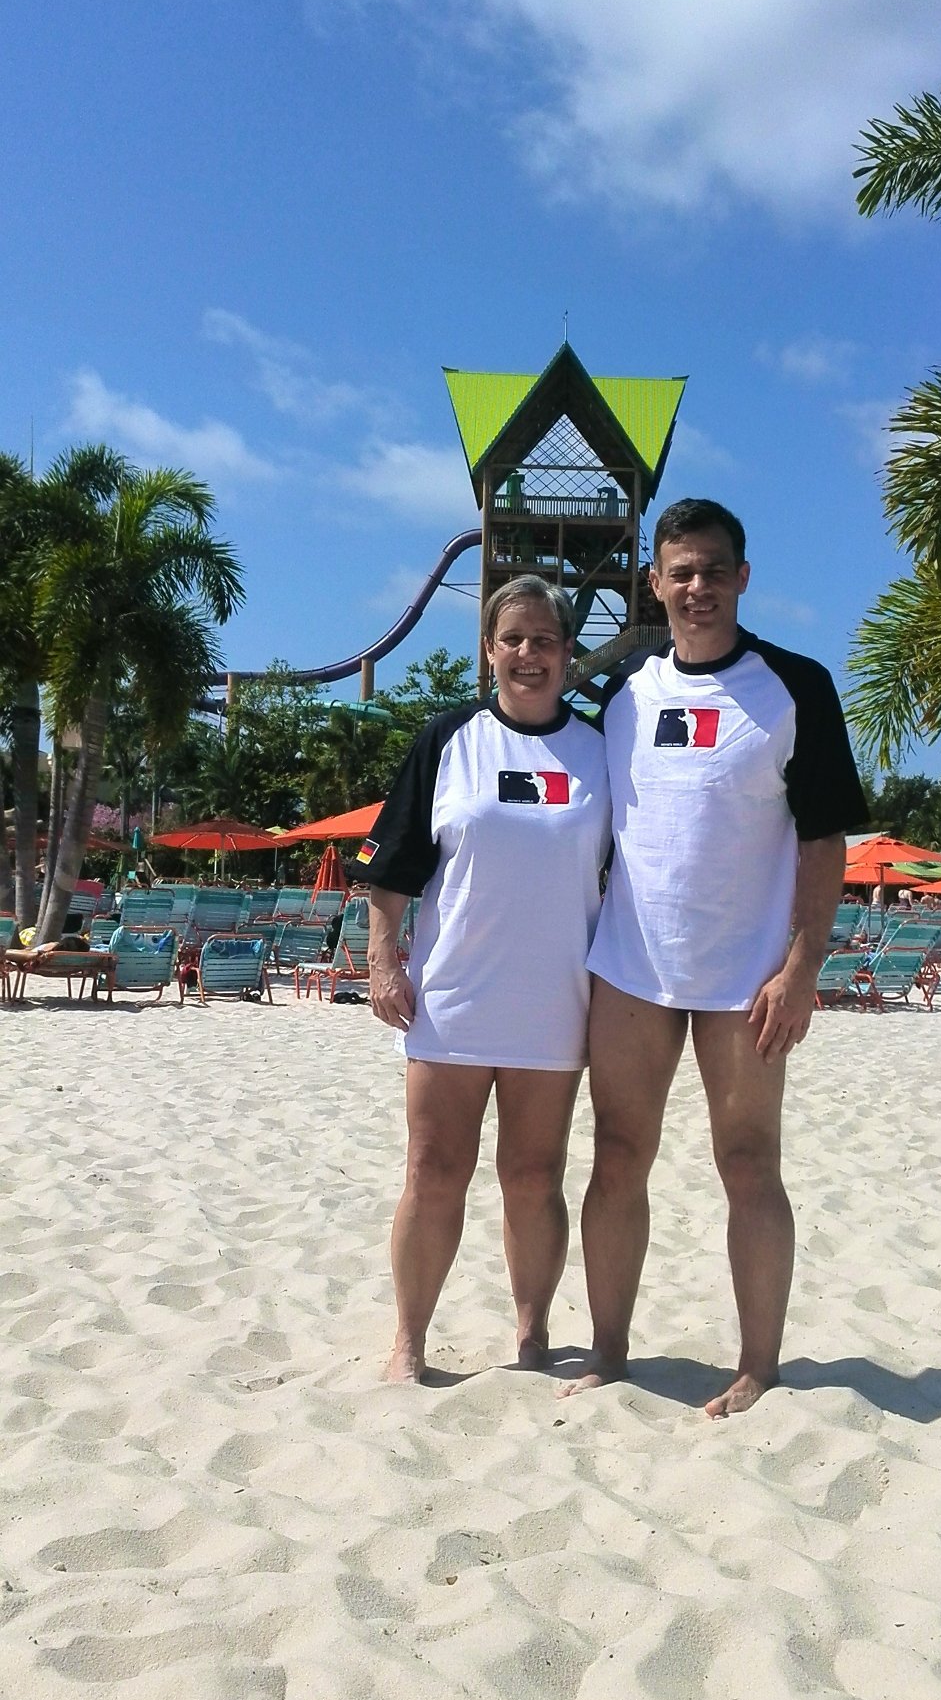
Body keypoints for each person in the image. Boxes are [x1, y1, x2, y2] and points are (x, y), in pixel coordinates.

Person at [564, 498, 870, 1419]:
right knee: (618, 1155)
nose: (696, 587)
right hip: (630, 967)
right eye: (679, 572)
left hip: (747, 976)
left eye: (713, 570)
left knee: (748, 1162)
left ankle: (758, 1365)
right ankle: (611, 1352)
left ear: (743, 577)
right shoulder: (623, 699)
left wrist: (802, 966)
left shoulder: (795, 687)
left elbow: (824, 840)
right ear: (654, 584)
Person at [349, 577, 611, 1384]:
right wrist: (382, 958)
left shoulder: (601, 749)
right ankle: (408, 1343)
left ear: (568, 653)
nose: (528, 654)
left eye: (544, 640)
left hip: (557, 1004)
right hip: (453, 999)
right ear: (489, 650)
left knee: (533, 1179)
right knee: (432, 1173)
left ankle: (532, 1334)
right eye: (513, 639)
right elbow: (390, 868)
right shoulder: (448, 739)